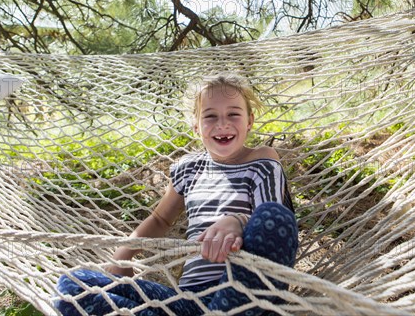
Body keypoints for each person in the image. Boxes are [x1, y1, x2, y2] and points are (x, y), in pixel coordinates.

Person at [55, 74, 298, 315]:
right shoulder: (189, 169)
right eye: (210, 116)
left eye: (233, 114)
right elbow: (160, 219)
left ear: (249, 122)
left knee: (273, 216)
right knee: (72, 286)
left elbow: (275, 220)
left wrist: (237, 221)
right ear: (196, 126)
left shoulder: (261, 161)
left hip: (249, 290)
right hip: (189, 299)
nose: (222, 123)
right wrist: (123, 254)